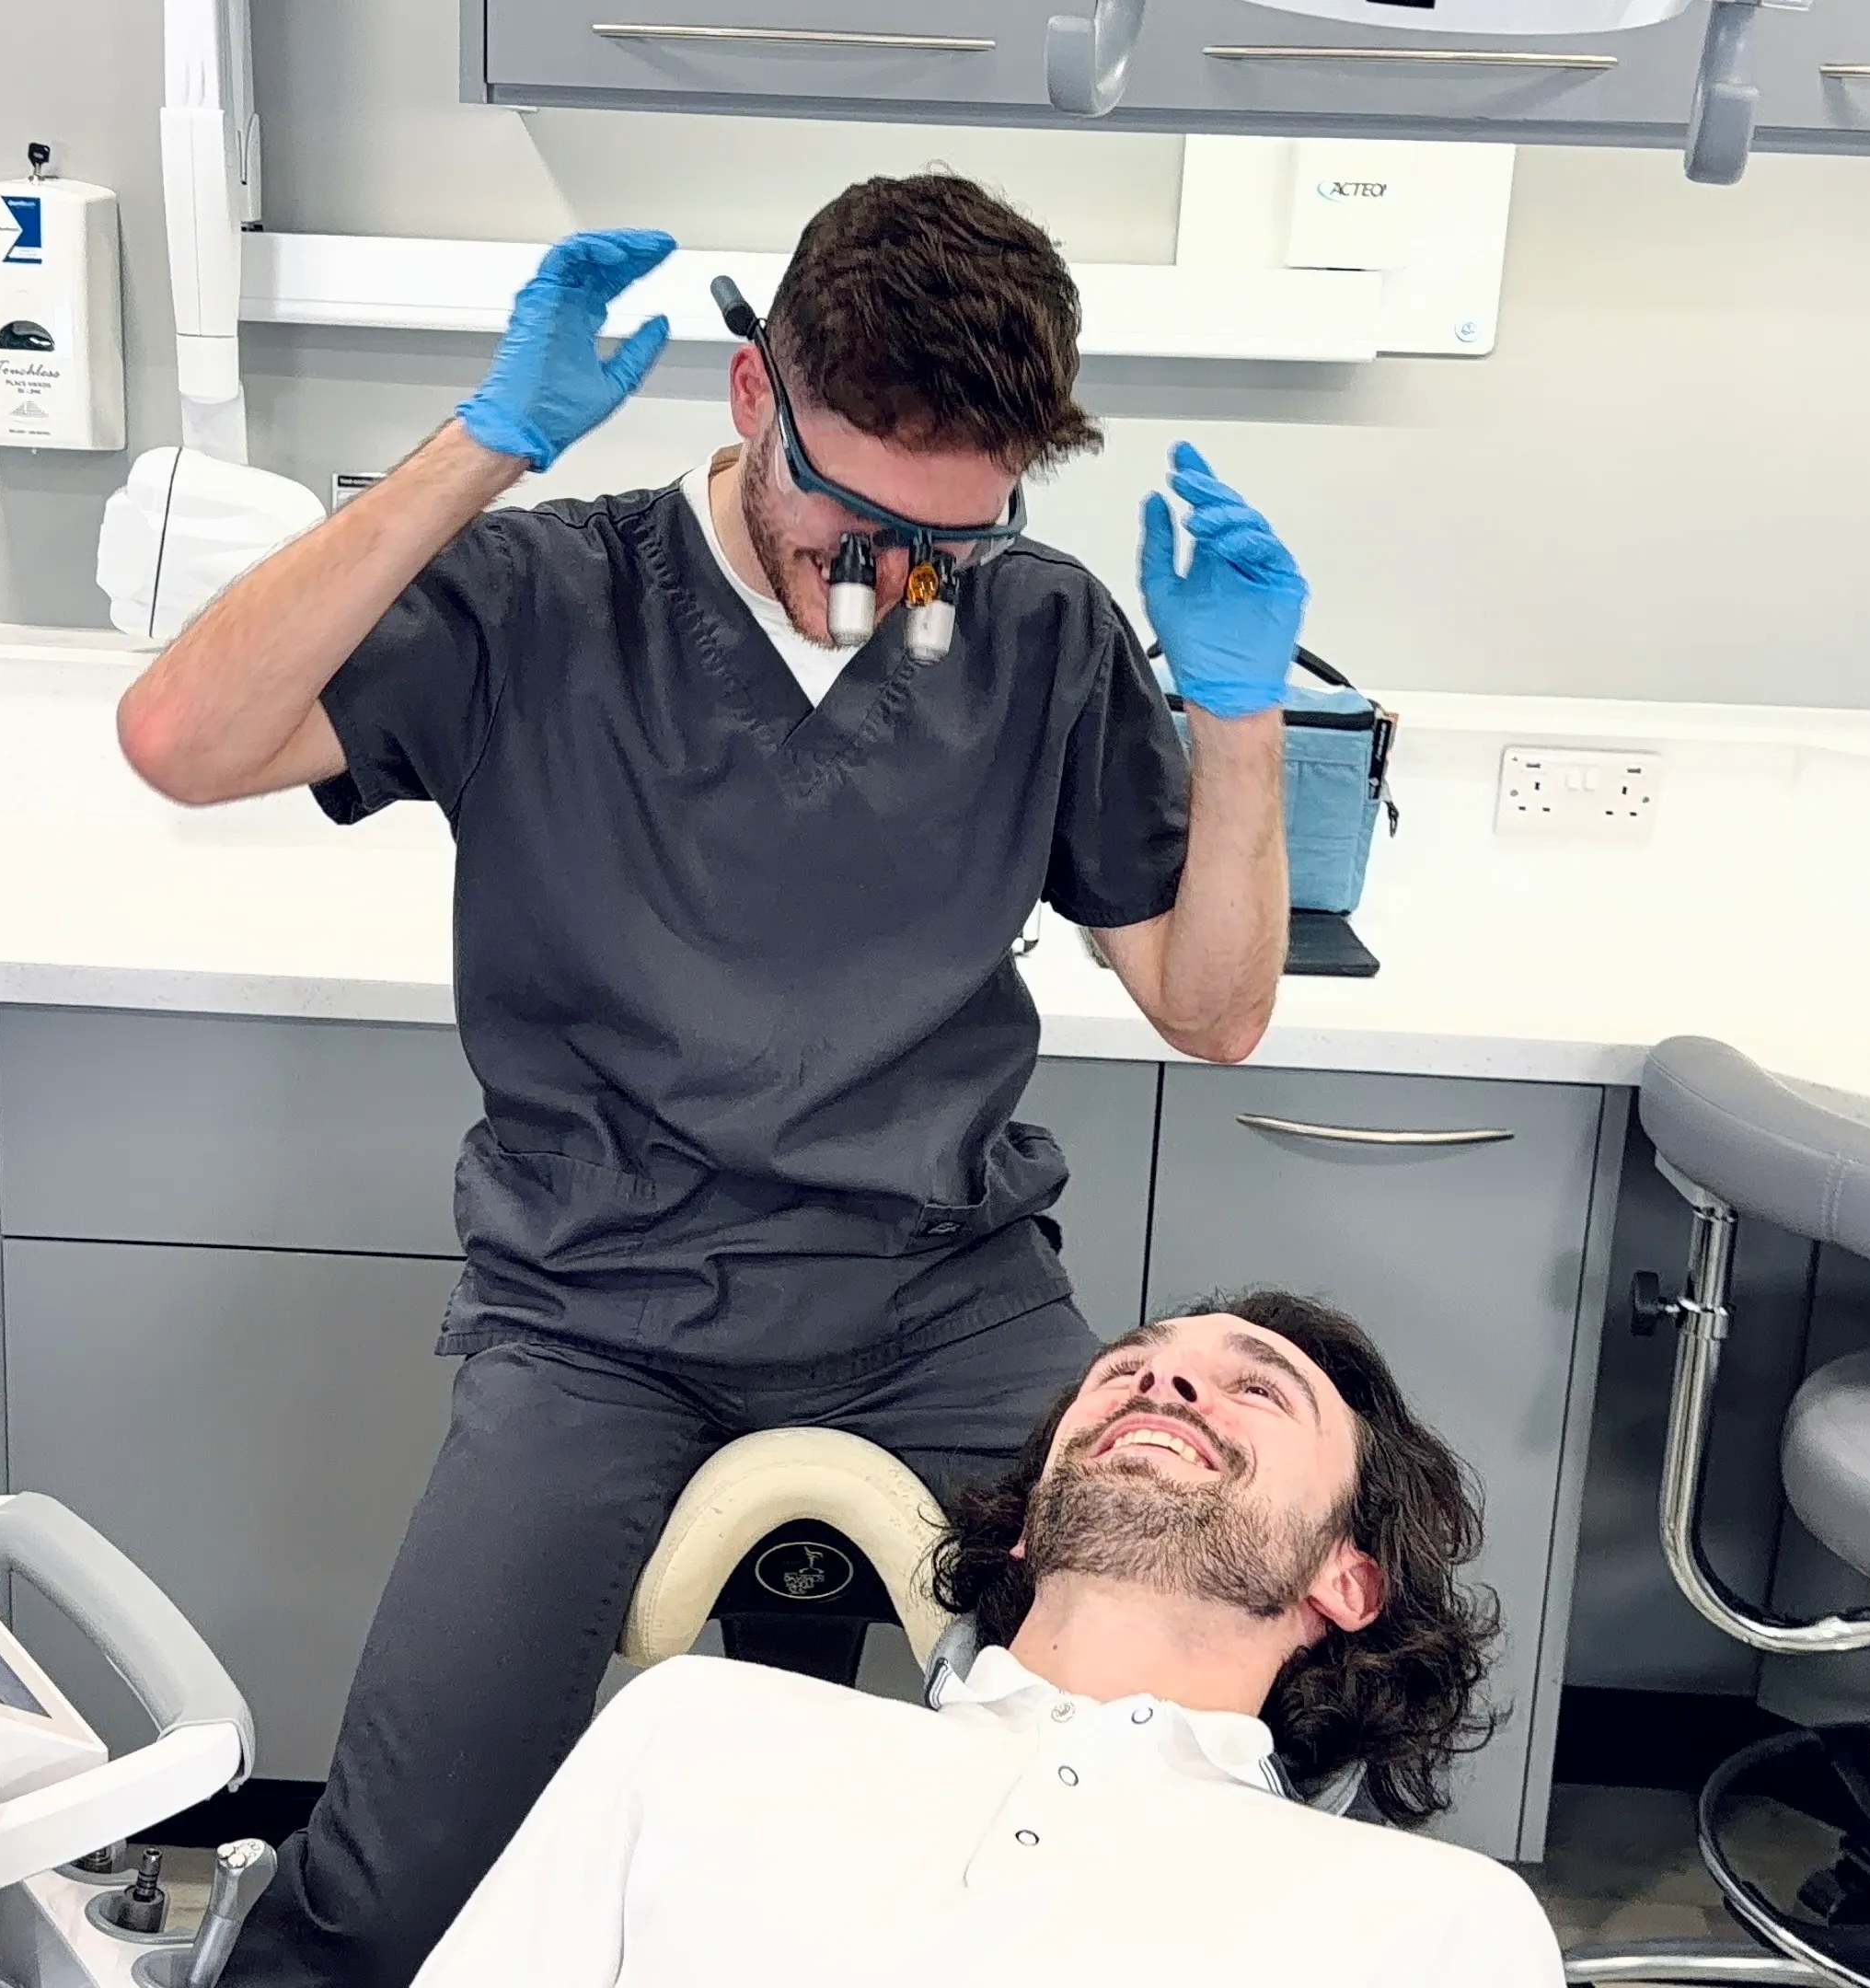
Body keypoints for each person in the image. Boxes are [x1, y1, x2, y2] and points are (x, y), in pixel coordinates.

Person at [115, 175, 1310, 1987]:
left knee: (1176, 1778)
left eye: (954, 535)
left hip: (944, 1295)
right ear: (754, 400)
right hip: (602, 1304)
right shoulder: (545, 598)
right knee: (407, 1864)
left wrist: (1239, 722)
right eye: (846, 513)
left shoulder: (1025, 626)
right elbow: (181, 742)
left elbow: (1213, 1012)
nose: (884, 576)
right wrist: (486, 443)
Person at [406, 1291, 1562, 1987]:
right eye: (1129, 1369)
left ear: (1347, 1579)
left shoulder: (1439, 1925)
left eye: (1257, 1392)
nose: (1161, 1378)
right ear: (1022, 1531)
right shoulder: (696, 1727)